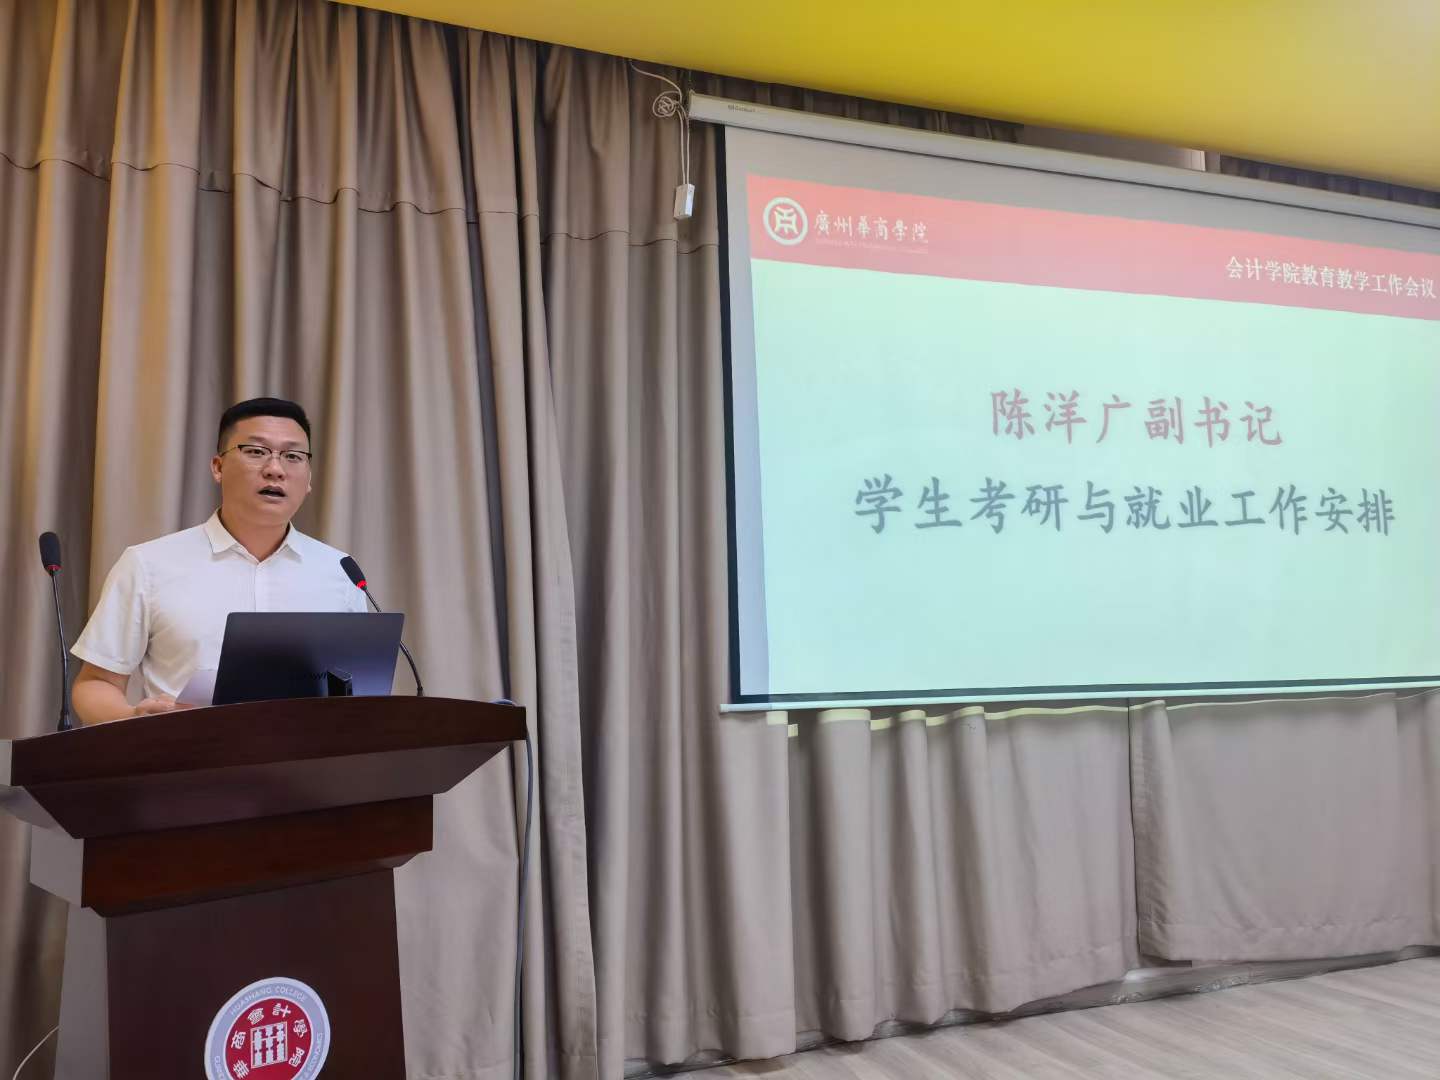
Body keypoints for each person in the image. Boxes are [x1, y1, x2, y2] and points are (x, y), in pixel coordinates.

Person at [70, 397, 367, 724]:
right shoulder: (148, 564)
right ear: (218, 467)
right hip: (186, 753)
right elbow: (95, 683)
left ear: (309, 479)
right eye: (256, 451)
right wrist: (133, 719)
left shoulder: (340, 572)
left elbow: (361, 692)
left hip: (307, 755)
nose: (275, 469)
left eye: (293, 456)